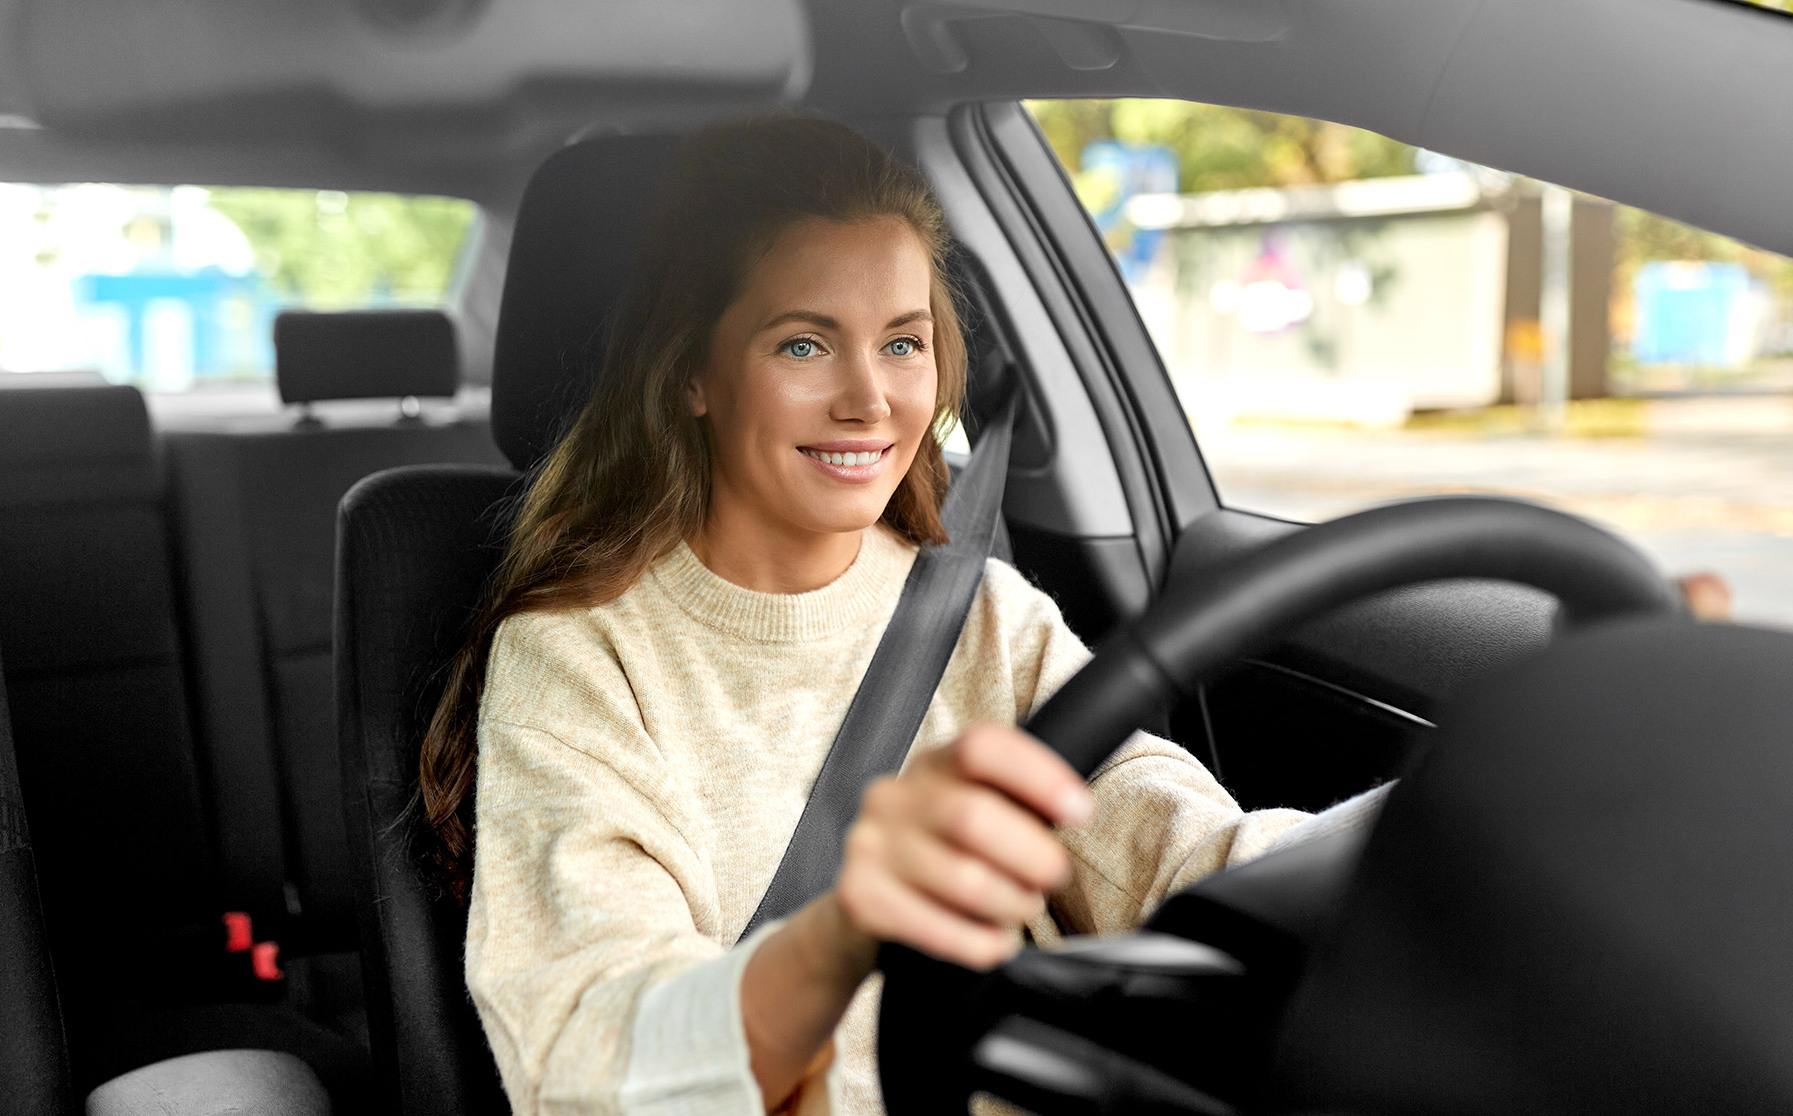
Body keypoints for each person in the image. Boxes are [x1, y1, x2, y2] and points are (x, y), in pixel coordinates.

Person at [411, 115, 1359, 1116]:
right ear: (693, 371)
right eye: (806, 343)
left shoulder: (983, 614)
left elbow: (1181, 847)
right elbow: (589, 1055)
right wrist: (839, 936)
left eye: (903, 343)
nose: (870, 399)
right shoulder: (581, 655)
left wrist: (1430, 850)